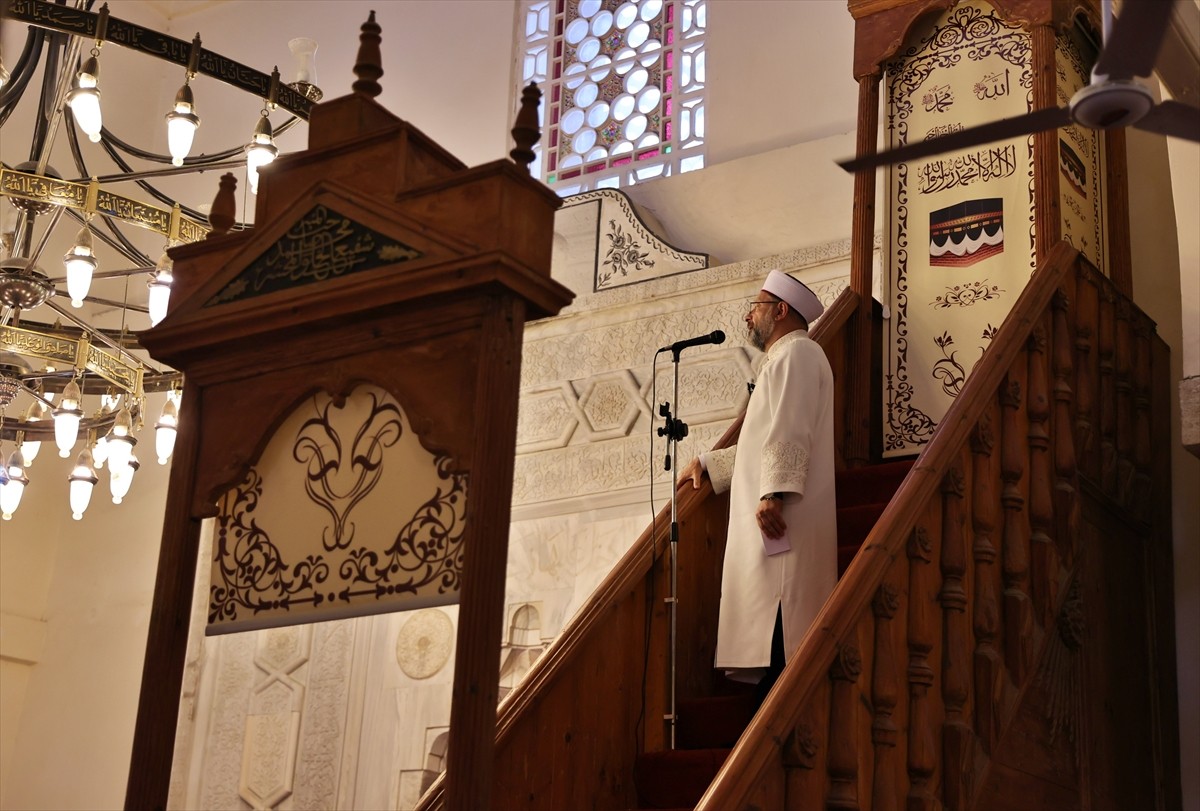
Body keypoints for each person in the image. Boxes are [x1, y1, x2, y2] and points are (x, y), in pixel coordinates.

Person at [689, 269, 837, 693]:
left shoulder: (798, 354)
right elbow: (762, 445)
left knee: (781, 633)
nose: (748, 317)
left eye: (755, 307)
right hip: (772, 521)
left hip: (781, 521)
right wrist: (709, 464)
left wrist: (773, 493)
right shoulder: (783, 359)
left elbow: (791, 431)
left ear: (781, 310)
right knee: (770, 643)